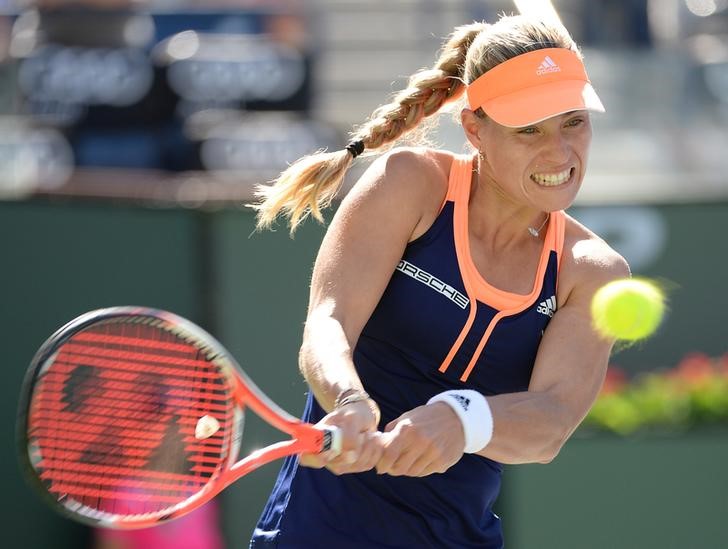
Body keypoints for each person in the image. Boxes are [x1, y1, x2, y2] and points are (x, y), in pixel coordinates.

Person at [249, 13, 630, 549]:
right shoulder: (409, 184)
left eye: (574, 121)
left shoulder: (593, 271)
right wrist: (349, 400)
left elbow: (551, 421)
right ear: (475, 128)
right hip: (314, 534)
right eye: (529, 130)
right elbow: (328, 322)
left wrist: (461, 418)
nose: (560, 153)